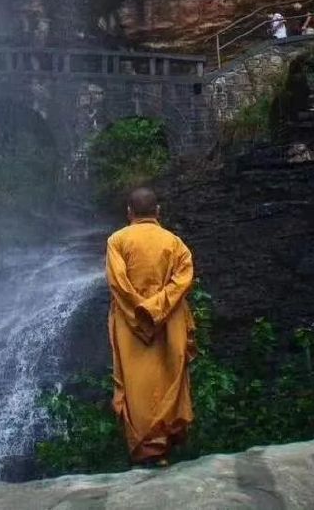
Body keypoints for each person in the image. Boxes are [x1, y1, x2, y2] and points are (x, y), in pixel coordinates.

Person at [106, 185, 195, 468]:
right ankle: (166, 447)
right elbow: (183, 280)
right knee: (169, 375)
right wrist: (158, 307)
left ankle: (145, 452)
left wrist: (142, 311)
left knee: (135, 384)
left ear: (129, 212)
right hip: (168, 320)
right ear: (158, 211)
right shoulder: (175, 243)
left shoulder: (117, 240)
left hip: (131, 323)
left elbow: (118, 283)